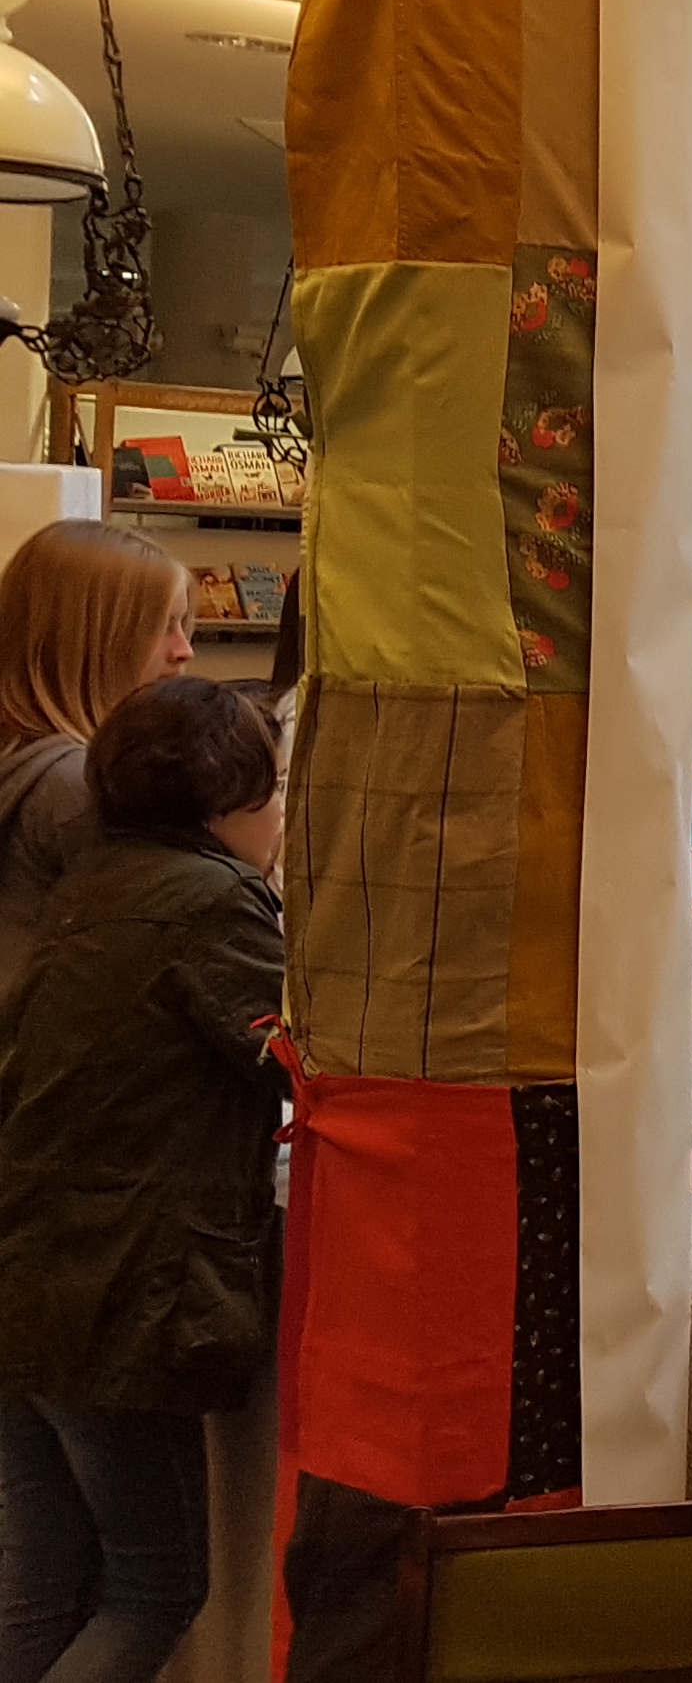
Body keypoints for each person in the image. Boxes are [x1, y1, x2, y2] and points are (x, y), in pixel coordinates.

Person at [0, 676, 289, 1683]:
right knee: (155, 1586)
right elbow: (305, 1058)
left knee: (41, 1578)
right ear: (225, 801)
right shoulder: (216, 902)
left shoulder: (90, 887)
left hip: (26, 1270)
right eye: (274, 790)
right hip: (121, 1293)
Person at [0, 520, 192, 981]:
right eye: (162, 627)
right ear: (93, 640)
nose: (184, 650)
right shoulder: (80, 785)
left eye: (183, 626)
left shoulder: (29, 758)